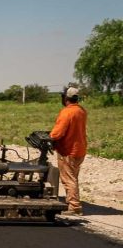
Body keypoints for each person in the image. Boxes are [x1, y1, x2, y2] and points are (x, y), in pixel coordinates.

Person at [50, 87, 88, 216]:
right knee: (73, 177)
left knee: (69, 179)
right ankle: (72, 201)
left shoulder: (67, 112)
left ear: (65, 98)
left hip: (68, 150)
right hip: (80, 149)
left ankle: (74, 207)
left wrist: (51, 137)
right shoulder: (81, 111)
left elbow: (57, 133)